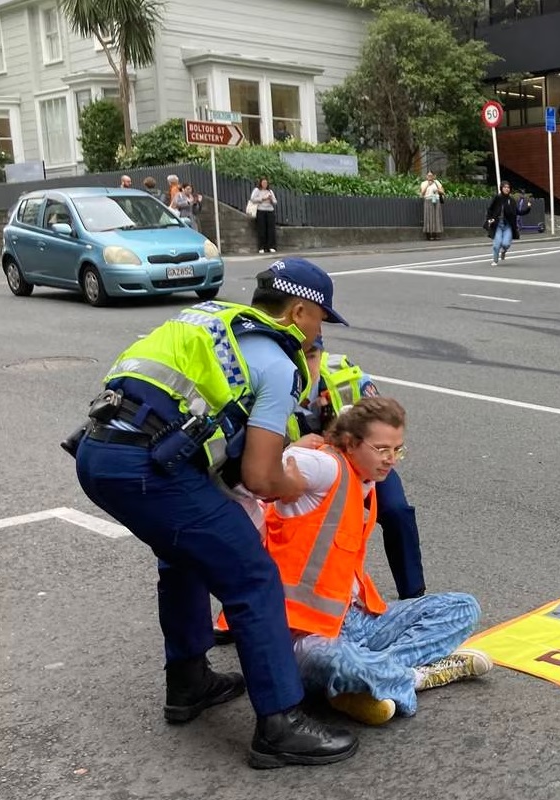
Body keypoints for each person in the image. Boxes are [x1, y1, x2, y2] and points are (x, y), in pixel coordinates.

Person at [70, 257, 358, 769]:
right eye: (321, 320)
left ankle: (188, 682)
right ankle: (280, 724)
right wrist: (300, 482)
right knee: (251, 576)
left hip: (99, 453)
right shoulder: (277, 362)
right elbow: (262, 477)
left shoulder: (210, 322)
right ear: (298, 311)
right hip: (146, 468)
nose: (320, 333)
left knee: (183, 556)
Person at [237, 397, 490, 727]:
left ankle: (368, 682)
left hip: (357, 619)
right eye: (382, 449)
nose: (391, 460)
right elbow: (253, 477)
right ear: (351, 443)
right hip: (304, 634)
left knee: (463, 607)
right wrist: (290, 453)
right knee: (333, 661)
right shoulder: (325, 467)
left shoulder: (365, 478)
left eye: (398, 450)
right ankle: (415, 677)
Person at [295, 338, 427, 599]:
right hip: (303, 462)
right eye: (298, 356)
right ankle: (246, 610)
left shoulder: (343, 375)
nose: (305, 365)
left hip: (358, 460)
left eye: (312, 356)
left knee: (396, 510)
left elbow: (383, 423)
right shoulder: (270, 375)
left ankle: (414, 595)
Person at [485, 180, 521, 265]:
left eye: (508, 187)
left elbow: (517, 212)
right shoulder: (497, 198)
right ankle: (495, 260)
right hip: (498, 224)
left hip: (507, 225)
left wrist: (528, 209)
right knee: (496, 244)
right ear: (501, 188)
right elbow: (490, 209)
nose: (507, 189)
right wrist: (490, 219)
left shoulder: (511, 200)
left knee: (506, 244)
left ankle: (504, 251)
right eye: (505, 187)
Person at [250, 178, 279, 254]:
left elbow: (275, 201)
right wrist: (262, 198)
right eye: (263, 183)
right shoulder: (257, 190)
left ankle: (271, 246)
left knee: (271, 229)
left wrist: (271, 199)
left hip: (270, 210)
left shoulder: (270, 191)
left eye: (266, 183)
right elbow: (252, 199)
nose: (265, 184)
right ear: (260, 183)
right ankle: (261, 247)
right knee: (262, 229)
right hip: (261, 210)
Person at [419, 171, 446, 240]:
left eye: (431, 176)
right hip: (428, 200)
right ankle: (429, 234)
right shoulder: (424, 183)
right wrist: (428, 185)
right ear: (426, 176)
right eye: (428, 176)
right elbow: (422, 193)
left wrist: (438, 190)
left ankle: (436, 234)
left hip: (436, 200)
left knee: (436, 217)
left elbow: (443, 192)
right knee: (428, 217)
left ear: (434, 176)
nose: (429, 177)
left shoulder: (437, 182)